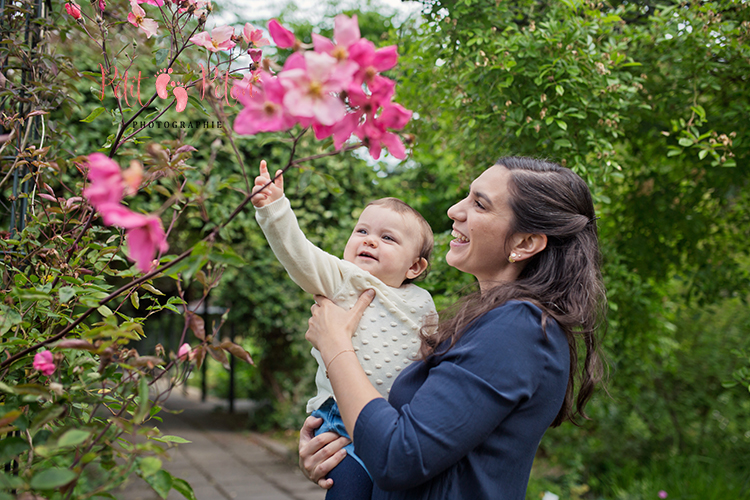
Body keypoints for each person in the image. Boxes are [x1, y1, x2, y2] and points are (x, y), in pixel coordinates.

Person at [299, 156, 606, 500]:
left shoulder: (518, 330)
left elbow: (398, 457)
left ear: (524, 243)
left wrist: (336, 344)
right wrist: (337, 446)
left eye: (479, 204)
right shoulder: (497, 322)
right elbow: (404, 436)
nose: (454, 210)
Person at [251, 161, 438, 499]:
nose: (369, 241)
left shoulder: (423, 301)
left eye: (387, 238)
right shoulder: (344, 279)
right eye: (362, 231)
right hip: (341, 425)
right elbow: (300, 255)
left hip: (395, 423)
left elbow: (431, 356)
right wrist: (275, 209)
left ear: (415, 265)